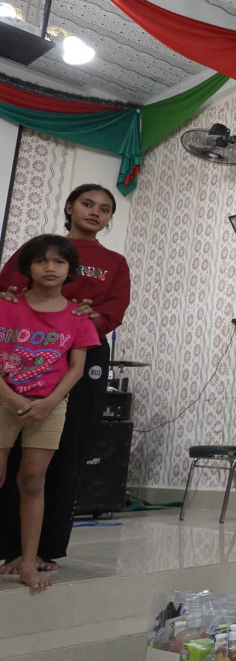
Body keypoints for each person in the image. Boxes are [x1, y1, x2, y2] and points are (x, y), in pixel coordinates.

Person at [0, 184, 131, 573]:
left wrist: (87, 319)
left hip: (82, 352)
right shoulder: (37, 249)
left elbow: (114, 309)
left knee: (66, 447)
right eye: (87, 204)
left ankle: (46, 549)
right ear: (70, 206)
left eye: (104, 209)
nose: (95, 212)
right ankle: (10, 547)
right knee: (13, 454)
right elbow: (8, 288)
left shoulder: (115, 262)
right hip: (25, 350)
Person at [0, 235, 101, 589]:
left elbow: (76, 368)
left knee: (33, 481)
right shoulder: (5, 305)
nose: (50, 267)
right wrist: (11, 399)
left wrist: (48, 403)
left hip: (50, 406)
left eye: (59, 262)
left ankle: (29, 563)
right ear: (27, 267)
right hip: (4, 400)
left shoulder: (77, 316)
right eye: (41, 261)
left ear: (70, 269)